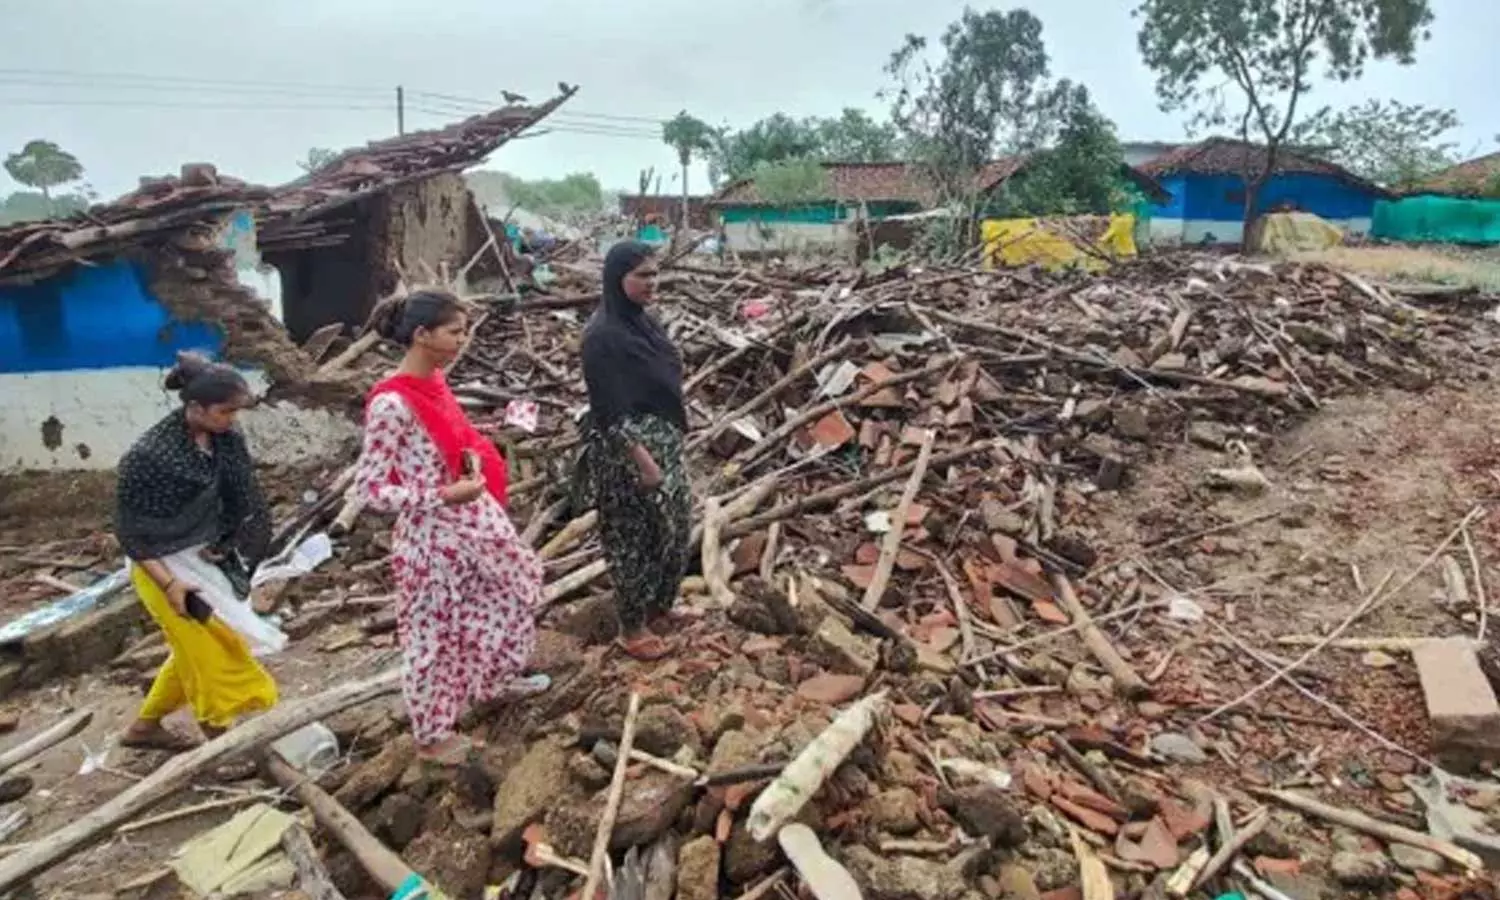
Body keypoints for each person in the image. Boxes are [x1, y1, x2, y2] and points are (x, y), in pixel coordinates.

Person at [356, 289, 548, 764]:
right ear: (422, 335)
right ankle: (432, 735)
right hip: (433, 534)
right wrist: (439, 495)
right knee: (433, 635)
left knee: (519, 585)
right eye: (454, 331)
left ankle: (492, 679)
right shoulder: (392, 405)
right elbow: (369, 491)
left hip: (474, 520)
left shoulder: (436, 383)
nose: (463, 340)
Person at [116, 352, 286, 753]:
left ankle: (143, 728)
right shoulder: (149, 457)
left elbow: (241, 497)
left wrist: (227, 544)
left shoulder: (226, 440)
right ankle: (220, 743)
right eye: (226, 411)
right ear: (195, 407)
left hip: (202, 557)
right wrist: (171, 584)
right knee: (213, 650)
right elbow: (132, 532)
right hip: (157, 564)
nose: (233, 419)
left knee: (197, 647)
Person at [580, 241, 691, 661]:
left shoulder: (646, 323)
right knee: (632, 540)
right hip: (627, 453)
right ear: (616, 278)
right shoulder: (601, 337)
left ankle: (660, 605)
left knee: (674, 531)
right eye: (642, 275)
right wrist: (642, 460)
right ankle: (631, 627)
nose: (652, 283)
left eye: (655, 274)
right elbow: (608, 410)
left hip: (664, 442)